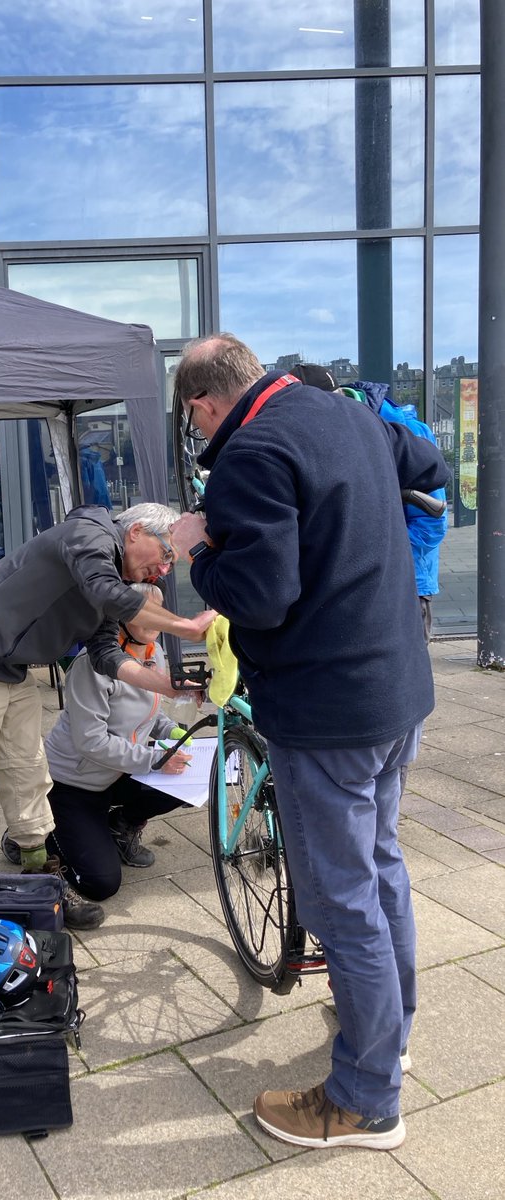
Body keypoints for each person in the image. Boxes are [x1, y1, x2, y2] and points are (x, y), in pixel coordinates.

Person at [169, 334, 449, 1151]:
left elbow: (258, 597)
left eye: (195, 420)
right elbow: (428, 462)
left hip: (329, 715)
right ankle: (390, 1022)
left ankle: (365, 1099)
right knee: (382, 863)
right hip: (399, 694)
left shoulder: (249, 454)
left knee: (340, 899)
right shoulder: (346, 413)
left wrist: (199, 550)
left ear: (202, 406)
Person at [0, 501, 217, 976]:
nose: (165, 568)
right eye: (166, 553)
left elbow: (109, 653)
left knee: (30, 774)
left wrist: (171, 687)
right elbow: (105, 592)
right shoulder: (90, 535)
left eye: (171, 563)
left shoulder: (110, 578)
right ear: (135, 533)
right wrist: (187, 625)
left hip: (11, 668)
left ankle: (41, 878)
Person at [1, 582, 193, 901]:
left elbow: (148, 716)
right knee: (100, 884)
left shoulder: (153, 653)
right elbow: (92, 742)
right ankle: (35, 833)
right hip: (73, 783)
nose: (154, 621)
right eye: (142, 612)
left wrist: (176, 735)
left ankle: (119, 827)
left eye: (158, 612)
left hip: (118, 773)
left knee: (186, 781)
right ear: (119, 618)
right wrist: (155, 760)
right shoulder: (92, 666)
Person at [291, 365, 449, 645]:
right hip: (352, 587)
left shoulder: (404, 431)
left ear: (333, 400)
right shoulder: (333, 431)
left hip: (405, 585)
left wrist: (368, 561)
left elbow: (432, 523)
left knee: (403, 681)